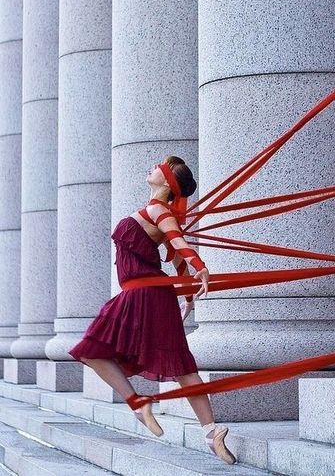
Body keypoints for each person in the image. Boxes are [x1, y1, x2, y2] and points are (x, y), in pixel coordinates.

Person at [68, 155, 236, 465]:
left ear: (167, 182)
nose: (153, 166)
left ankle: (139, 402)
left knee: (91, 349)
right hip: (146, 295)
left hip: (144, 295)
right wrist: (187, 294)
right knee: (181, 365)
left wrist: (200, 267)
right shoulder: (158, 211)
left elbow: (179, 243)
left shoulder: (160, 211)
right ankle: (209, 431)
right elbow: (177, 258)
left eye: (161, 166)